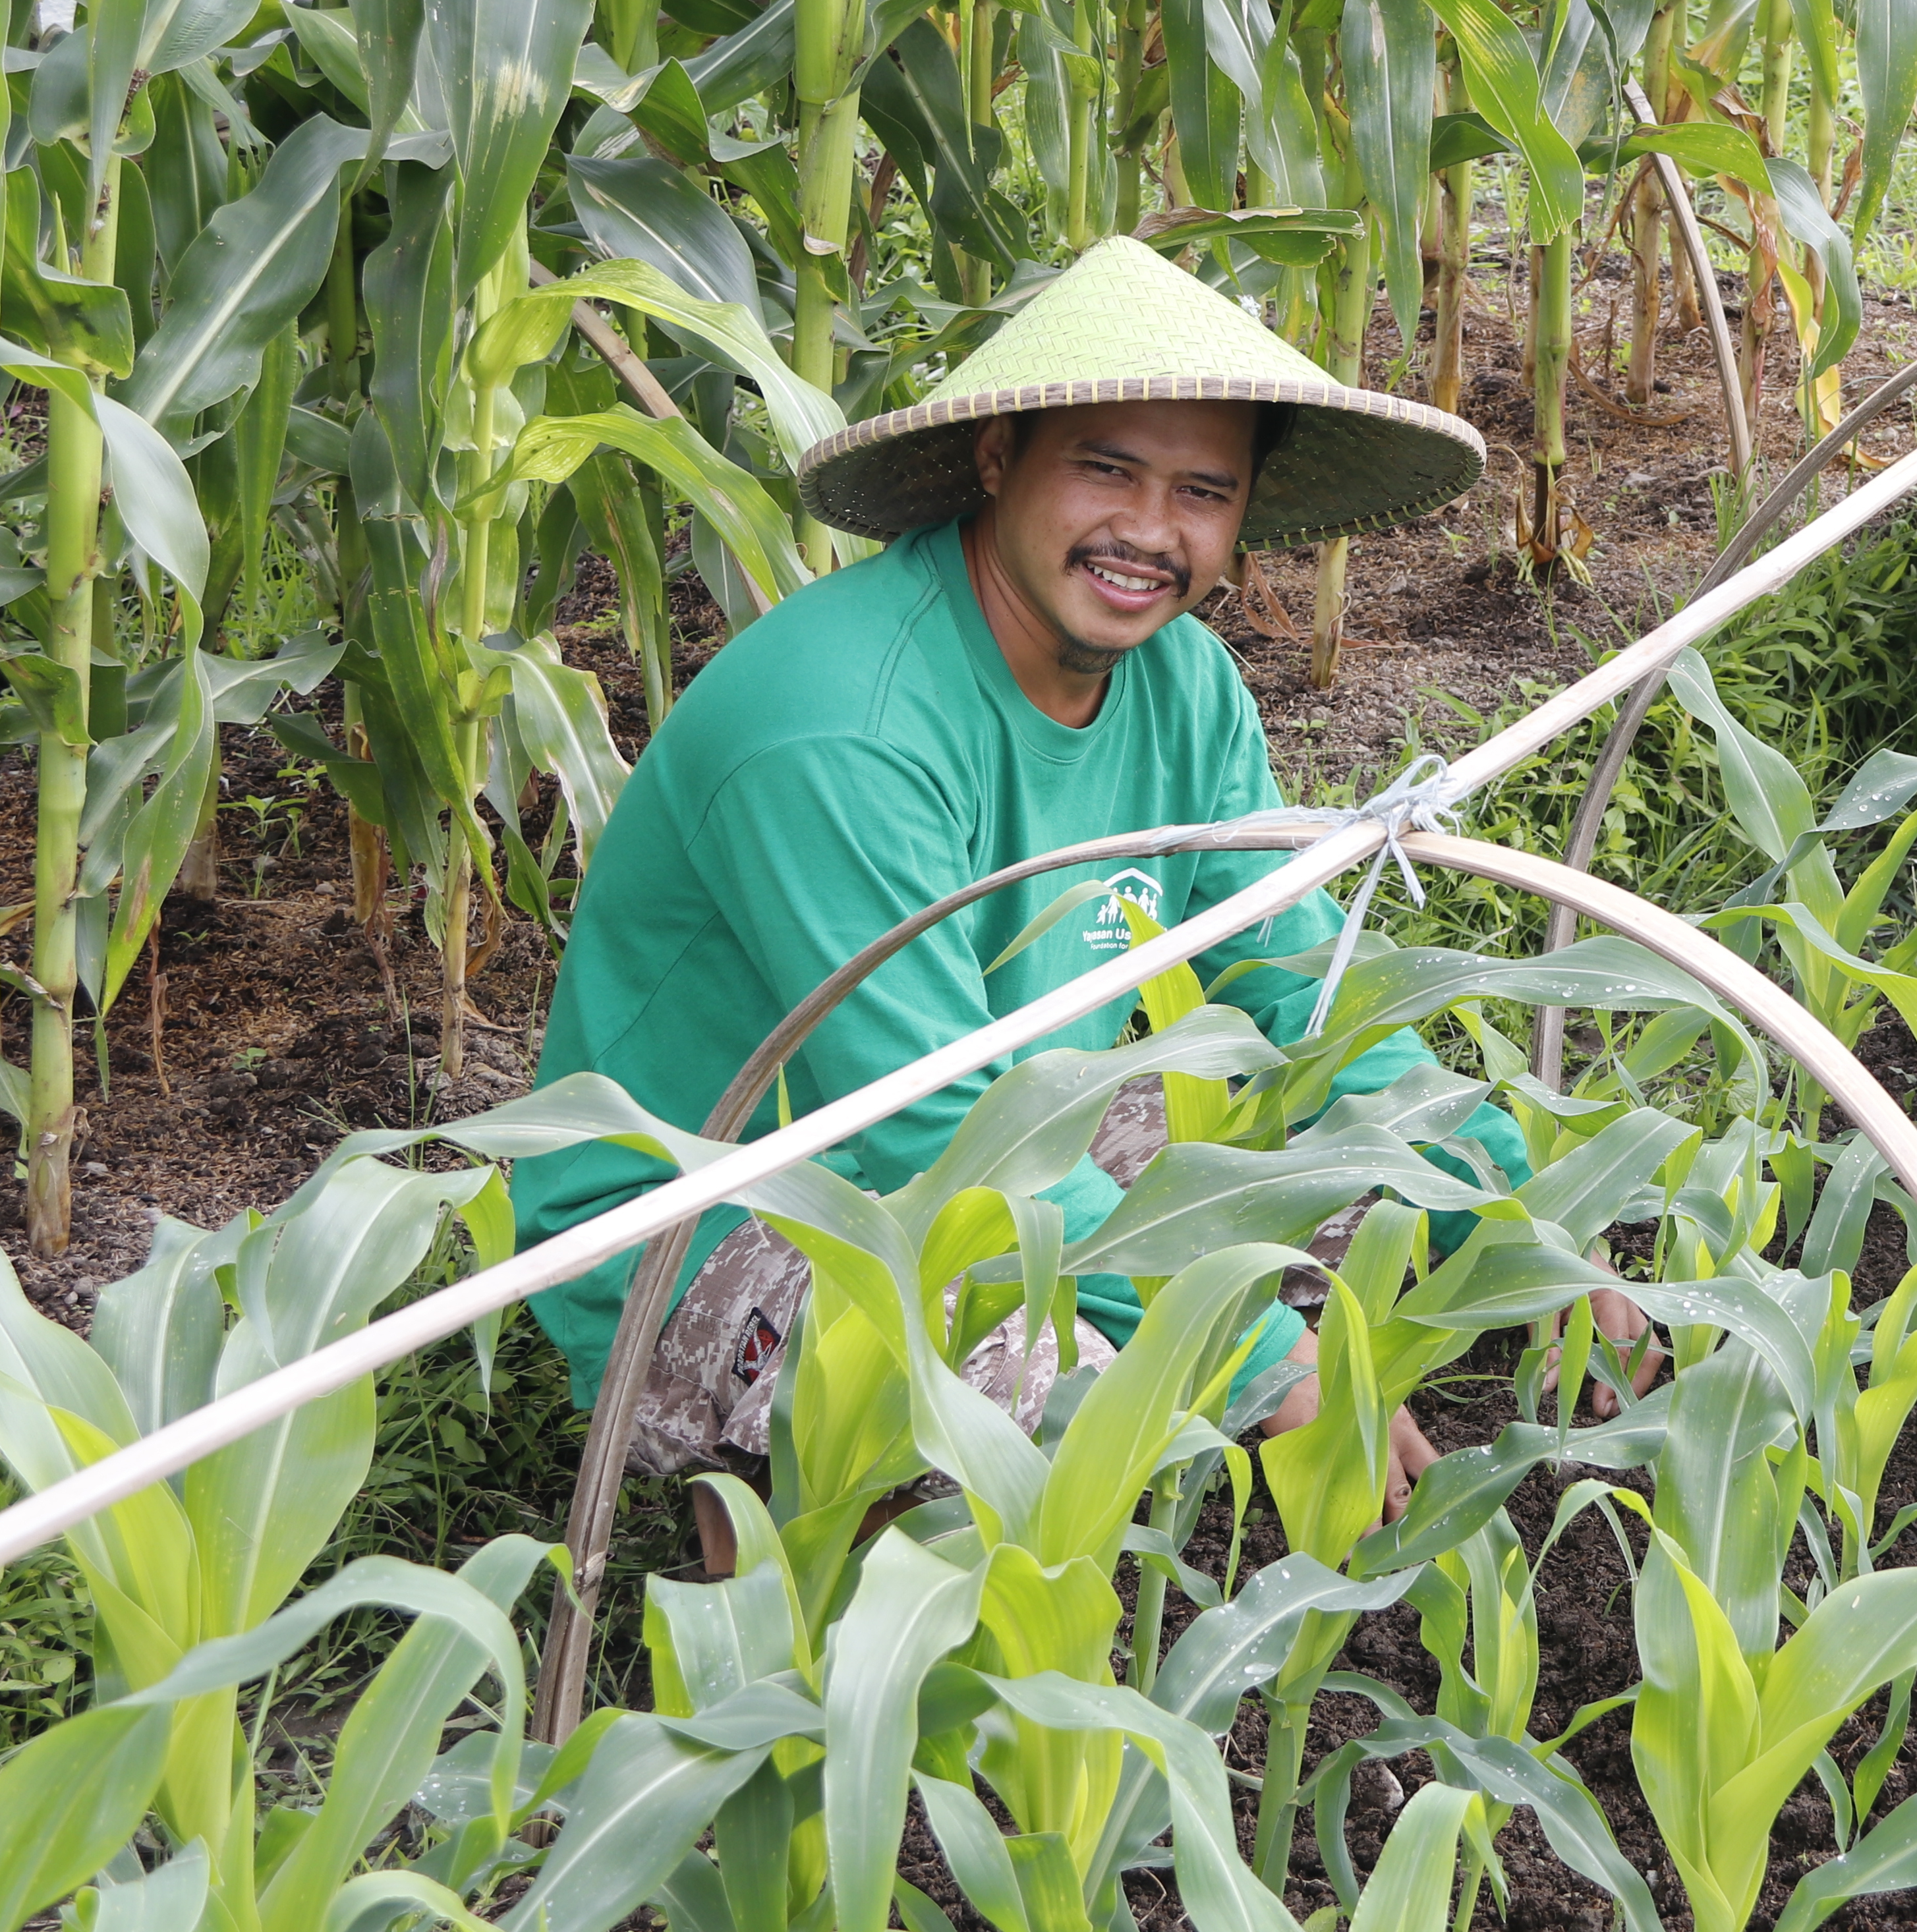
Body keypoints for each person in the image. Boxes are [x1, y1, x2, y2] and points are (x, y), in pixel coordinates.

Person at [517, 235, 1587, 1541]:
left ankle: (1232, 1511)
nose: (1149, 530)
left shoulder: (1184, 688)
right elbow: (931, 1136)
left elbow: (1298, 981)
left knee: (1375, 1175)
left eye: (1201, 489)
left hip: (1009, 1127)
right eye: (1106, 468)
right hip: (724, 1223)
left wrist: (1526, 1218)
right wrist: (1270, 1361)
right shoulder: (841, 727)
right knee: (1039, 1378)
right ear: (995, 458)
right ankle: (784, 1572)